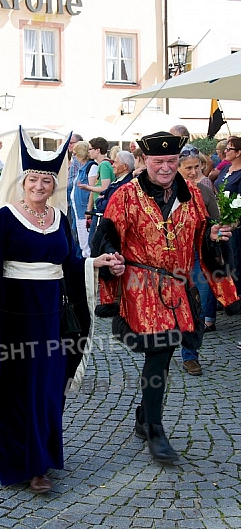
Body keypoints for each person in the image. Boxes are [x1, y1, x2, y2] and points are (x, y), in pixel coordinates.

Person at [0, 126, 112, 493]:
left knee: (46, 388)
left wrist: (95, 264)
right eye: (34, 180)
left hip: (52, 317)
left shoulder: (61, 221)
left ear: (54, 185)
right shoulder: (7, 217)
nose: (40, 186)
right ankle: (17, 461)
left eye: (47, 181)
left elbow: (70, 264)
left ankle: (41, 462)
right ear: (22, 180)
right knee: (12, 387)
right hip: (13, 315)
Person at [91, 131, 241, 463]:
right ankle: (155, 430)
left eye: (171, 161)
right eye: (158, 162)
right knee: (159, 353)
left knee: (163, 353)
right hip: (140, 287)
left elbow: (203, 235)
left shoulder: (194, 196)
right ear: (144, 161)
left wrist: (213, 234)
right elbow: (107, 238)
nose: (165, 167)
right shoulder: (126, 195)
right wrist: (112, 260)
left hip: (179, 288)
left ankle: (146, 414)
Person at [177, 145, 220, 375]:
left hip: (195, 256)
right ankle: (159, 354)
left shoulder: (205, 193)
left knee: (196, 306)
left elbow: (216, 222)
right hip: (167, 258)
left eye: (196, 167)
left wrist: (223, 229)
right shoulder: (165, 192)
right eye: (188, 168)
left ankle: (190, 356)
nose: (193, 172)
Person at [214, 136, 241, 296]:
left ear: (238, 153)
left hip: (234, 223)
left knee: (235, 259)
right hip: (220, 218)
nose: (225, 151)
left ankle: (236, 294)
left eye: (229, 149)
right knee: (221, 258)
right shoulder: (225, 169)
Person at [77, 137, 114, 245]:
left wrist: (87, 187)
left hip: (101, 209)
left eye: (90, 149)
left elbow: (105, 187)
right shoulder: (102, 164)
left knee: (93, 242)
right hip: (98, 208)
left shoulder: (104, 165)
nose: (88, 152)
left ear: (97, 150)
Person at [70, 140, 97, 257]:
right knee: (82, 241)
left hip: (83, 209)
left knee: (86, 243)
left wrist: (88, 209)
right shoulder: (83, 167)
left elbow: (92, 189)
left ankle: (88, 268)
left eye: (75, 154)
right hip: (78, 210)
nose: (74, 156)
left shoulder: (91, 167)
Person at [93, 151, 135, 217]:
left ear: (125, 166)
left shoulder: (125, 184)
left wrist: (99, 200)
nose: (112, 166)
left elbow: (108, 206)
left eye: (115, 162)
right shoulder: (118, 180)